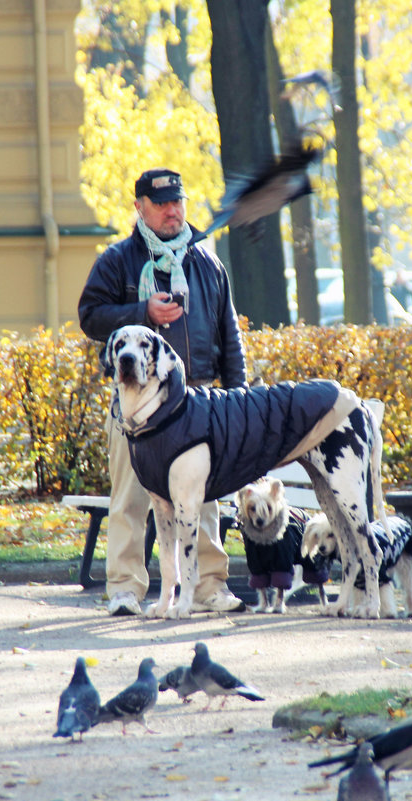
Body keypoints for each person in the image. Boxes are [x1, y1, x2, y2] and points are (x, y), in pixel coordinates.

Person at [78, 168, 247, 616]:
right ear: (140, 208)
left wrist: (239, 398)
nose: (174, 211)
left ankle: (209, 586)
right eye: (162, 204)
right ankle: (125, 590)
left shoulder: (208, 263)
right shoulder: (117, 260)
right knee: (130, 498)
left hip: (198, 403)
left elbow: (228, 336)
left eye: (179, 201)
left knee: (204, 501)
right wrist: (141, 311)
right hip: (135, 405)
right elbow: (90, 316)